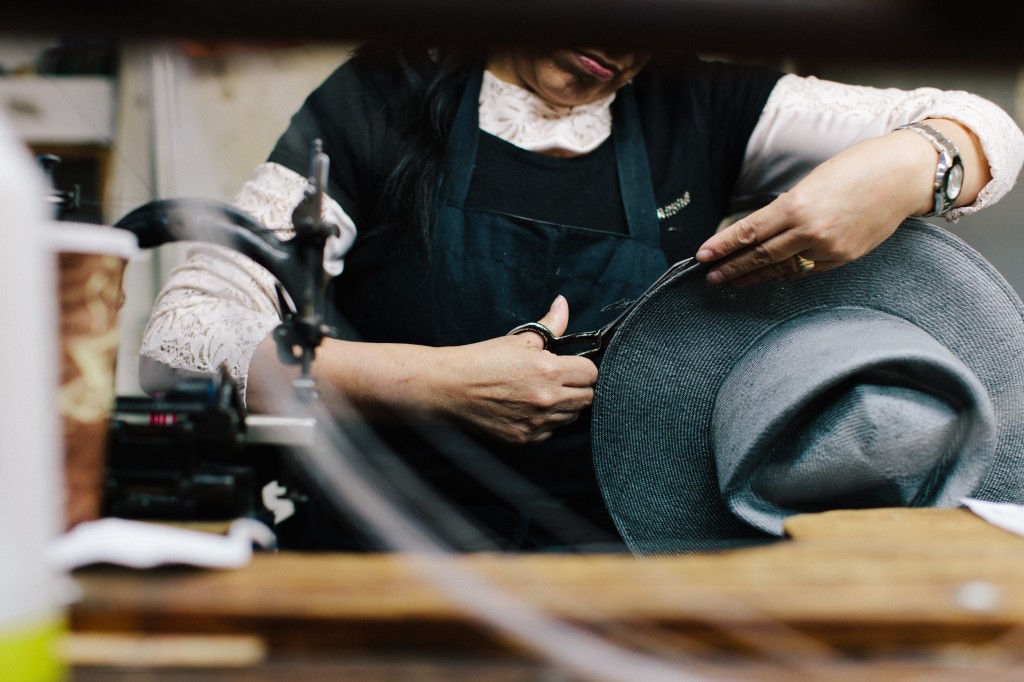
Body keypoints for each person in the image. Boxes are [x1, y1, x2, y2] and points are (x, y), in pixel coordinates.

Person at [138, 44, 1024, 551]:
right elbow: (182, 341)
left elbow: (987, 128)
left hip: (631, 562)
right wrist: (434, 384)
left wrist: (911, 164)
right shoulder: (385, 94)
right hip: (386, 557)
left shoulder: (703, 104)